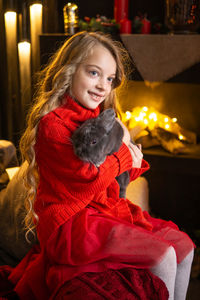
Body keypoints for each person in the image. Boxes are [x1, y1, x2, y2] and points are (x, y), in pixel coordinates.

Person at [0, 31, 194, 300]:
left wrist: (131, 158)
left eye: (110, 78)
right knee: (163, 256)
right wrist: (123, 157)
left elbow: (116, 174)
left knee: (184, 246)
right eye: (94, 73)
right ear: (70, 71)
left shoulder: (101, 119)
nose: (103, 85)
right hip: (71, 224)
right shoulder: (53, 125)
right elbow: (88, 179)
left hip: (102, 212)